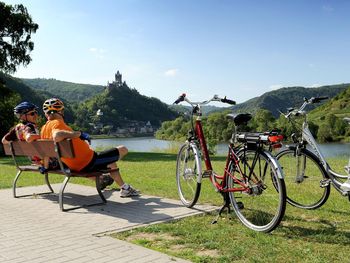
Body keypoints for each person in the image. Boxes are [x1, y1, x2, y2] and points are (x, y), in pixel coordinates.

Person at [40, 98, 140, 197]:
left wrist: (45, 166)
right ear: (61, 111)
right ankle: (124, 188)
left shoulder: (43, 129)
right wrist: (79, 134)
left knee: (110, 162)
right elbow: (56, 135)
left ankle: (122, 187)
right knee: (123, 149)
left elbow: (47, 150)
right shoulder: (57, 123)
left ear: (46, 114)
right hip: (89, 161)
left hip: (73, 165)